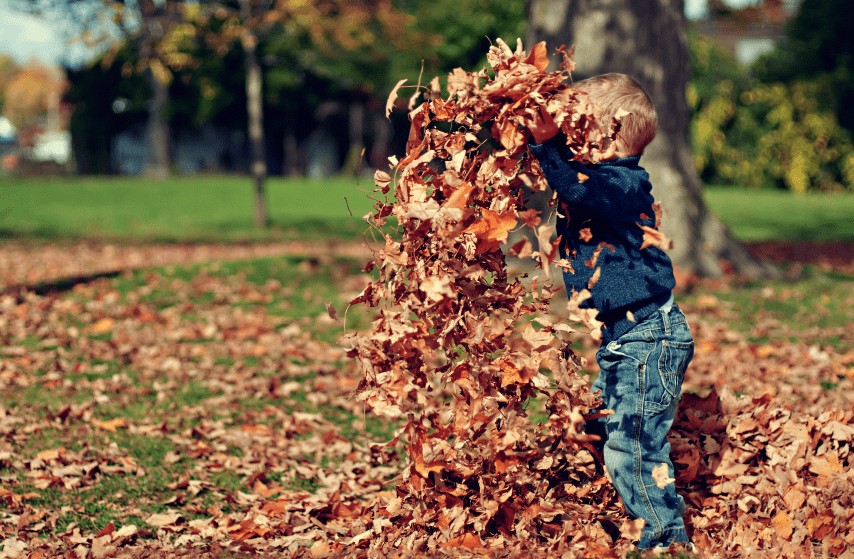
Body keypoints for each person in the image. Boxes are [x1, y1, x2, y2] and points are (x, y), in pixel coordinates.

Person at [526, 73, 695, 551]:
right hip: (627, 341)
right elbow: (568, 181)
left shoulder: (622, 184)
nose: (567, 137)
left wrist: (547, 147)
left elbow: (577, 188)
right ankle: (616, 505)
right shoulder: (600, 180)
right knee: (600, 423)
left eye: (578, 129)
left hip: (648, 339)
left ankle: (665, 539)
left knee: (634, 449)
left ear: (608, 134)